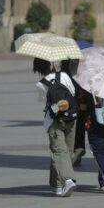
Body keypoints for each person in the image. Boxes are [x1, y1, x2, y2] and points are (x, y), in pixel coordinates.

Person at [34, 58, 77, 197]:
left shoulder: (41, 84)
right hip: (70, 118)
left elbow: (41, 100)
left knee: (59, 152)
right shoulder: (64, 76)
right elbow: (73, 92)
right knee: (66, 152)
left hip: (54, 121)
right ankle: (57, 185)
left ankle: (67, 180)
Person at [59, 59, 87, 167]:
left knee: (69, 126)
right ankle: (79, 148)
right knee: (80, 122)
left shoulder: (64, 72)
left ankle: (73, 152)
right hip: (81, 99)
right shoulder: (80, 67)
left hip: (68, 101)